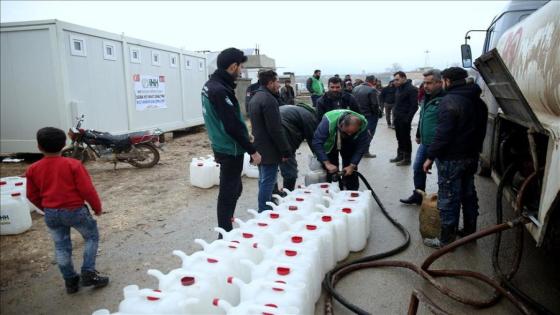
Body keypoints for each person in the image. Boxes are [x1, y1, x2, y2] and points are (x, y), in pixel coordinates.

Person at [25, 127, 109, 294]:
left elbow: (31, 195)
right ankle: (88, 272)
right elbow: (87, 190)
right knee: (91, 237)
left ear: (39, 146)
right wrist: (97, 207)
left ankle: (70, 281)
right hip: (75, 211)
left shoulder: (33, 169)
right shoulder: (73, 164)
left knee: (61, 246)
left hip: (51, 213)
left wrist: (46, 208)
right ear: (64, 144)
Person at [423, 67, 488, 248]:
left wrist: (429, 157)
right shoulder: (478, 102)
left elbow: (443, 134)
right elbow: (481, 132)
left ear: (447, 81)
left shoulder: (449, 100)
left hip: (452, 159)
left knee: (449, 197)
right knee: (468, 194)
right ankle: (469, 233)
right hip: (471, 157)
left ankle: (446, 240)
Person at [201, 47, 262, 234]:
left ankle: (226, 222)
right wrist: (252, 150)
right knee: (228, 193)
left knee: (235, 188)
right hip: (230, 149)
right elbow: (231, 125)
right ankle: (224, 233)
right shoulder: (220, 90)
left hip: (222, 145)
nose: (241, 71)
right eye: (241, 67)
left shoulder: (211, 85)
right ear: (233, 66)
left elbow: (228, 119)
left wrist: (244, 132)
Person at [248, 70, 292, 211]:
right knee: (268, 181)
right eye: (277, 81)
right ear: (270, 83)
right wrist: (285, 150)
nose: (279, 85)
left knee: (263, 180)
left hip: (259, 146)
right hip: (269, 149)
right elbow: (275, 129)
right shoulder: (269, 100)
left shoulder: (255, 98)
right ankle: (264, 211)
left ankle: (264, 209)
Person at [400, 69, 445, 205]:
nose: (425, 86)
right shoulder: (426, 97)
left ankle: (444, 200)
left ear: (440, 82)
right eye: (424, 83)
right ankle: (418, 195)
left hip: (439, 144)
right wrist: (419, 134)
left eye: (429, 83)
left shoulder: (445, 99)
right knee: (418, 168)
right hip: (425, 143)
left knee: (443, 174)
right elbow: (423, 117)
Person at [312, 109, 370, 190]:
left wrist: (352, 165)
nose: (349, 134)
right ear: (342, 125)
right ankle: (333, 189)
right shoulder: (328, 122)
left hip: (350, 141)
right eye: (347, 131)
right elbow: (316, 142)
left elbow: (361, 147)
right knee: (331, 168)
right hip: (330, 139)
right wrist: (327, 163)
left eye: (353, 132)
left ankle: (351, 190)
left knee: (350, 168)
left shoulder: (363, 124)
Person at [277, 103, 319, 191]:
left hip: (267, 134)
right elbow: (313, 140)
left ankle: (272, 195)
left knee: (270, 170)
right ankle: (288, 194)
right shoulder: (309, 117)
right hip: (283, 137)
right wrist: (320, 159)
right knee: (290, 172)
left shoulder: (294, 109)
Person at [390, 71, 418, 166]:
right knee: (399, 138)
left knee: (405, 138)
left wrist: (408, 119)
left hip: (405, 119)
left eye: (397, 79)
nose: (395, 82)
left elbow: (414, 106)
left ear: (403, 78)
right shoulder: (398, 88)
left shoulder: (411, 89)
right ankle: (400, 155)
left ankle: (407, 159)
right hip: (397, 118)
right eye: (394, 80)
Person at [352, 75, 381, 158]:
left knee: (358, 133)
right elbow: (375, 105)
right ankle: (365, 151)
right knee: (369, 134)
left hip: (357, 115)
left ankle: (358, 150)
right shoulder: (372, 90)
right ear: (373, 81)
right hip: (369, 116)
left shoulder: (356, 88)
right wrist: (377, 114)